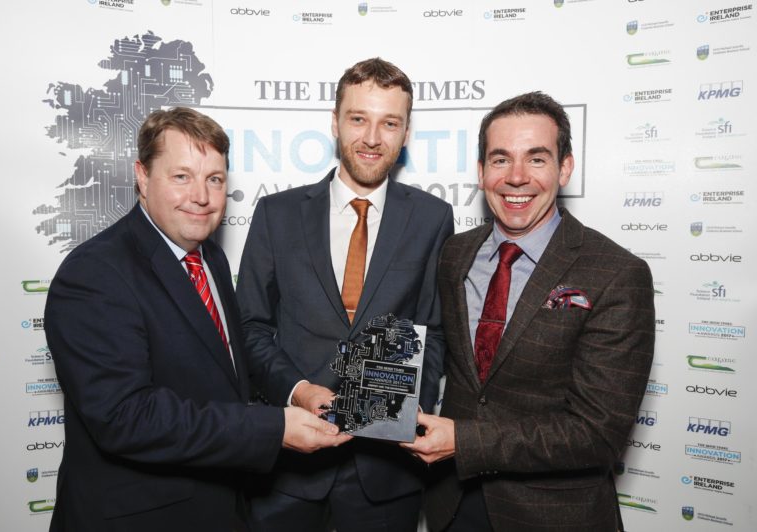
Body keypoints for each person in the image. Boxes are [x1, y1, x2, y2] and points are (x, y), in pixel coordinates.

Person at [44, 107, 349, 532]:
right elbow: (125, 416)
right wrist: (273, 427)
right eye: (181, 176)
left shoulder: (210, 259)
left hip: (219, 504)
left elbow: (224, 372)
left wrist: (295, 393)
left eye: (215, 179)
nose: (202, 196)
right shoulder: (95, 273)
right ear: (143, 176)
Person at [402, 92, 655, 531]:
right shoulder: (454, 254)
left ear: (565, 168)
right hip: (451, 505)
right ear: (481, 173)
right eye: (500, 160)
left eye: (536, 159)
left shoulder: (616, 273)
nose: (516, 178)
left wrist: (464, 441)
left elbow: (598, 434)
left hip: (552, 515)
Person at [236, 57, 454, 531]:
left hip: (387, 471)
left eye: (389, 123)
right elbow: (250, 325)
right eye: (359, 119)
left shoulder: (433, 218)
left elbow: (433, 330)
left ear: (406, 133)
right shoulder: (277, 213)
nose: (372, 138)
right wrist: (295, 390)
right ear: (335, 123)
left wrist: (411, 406)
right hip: (288, 467)